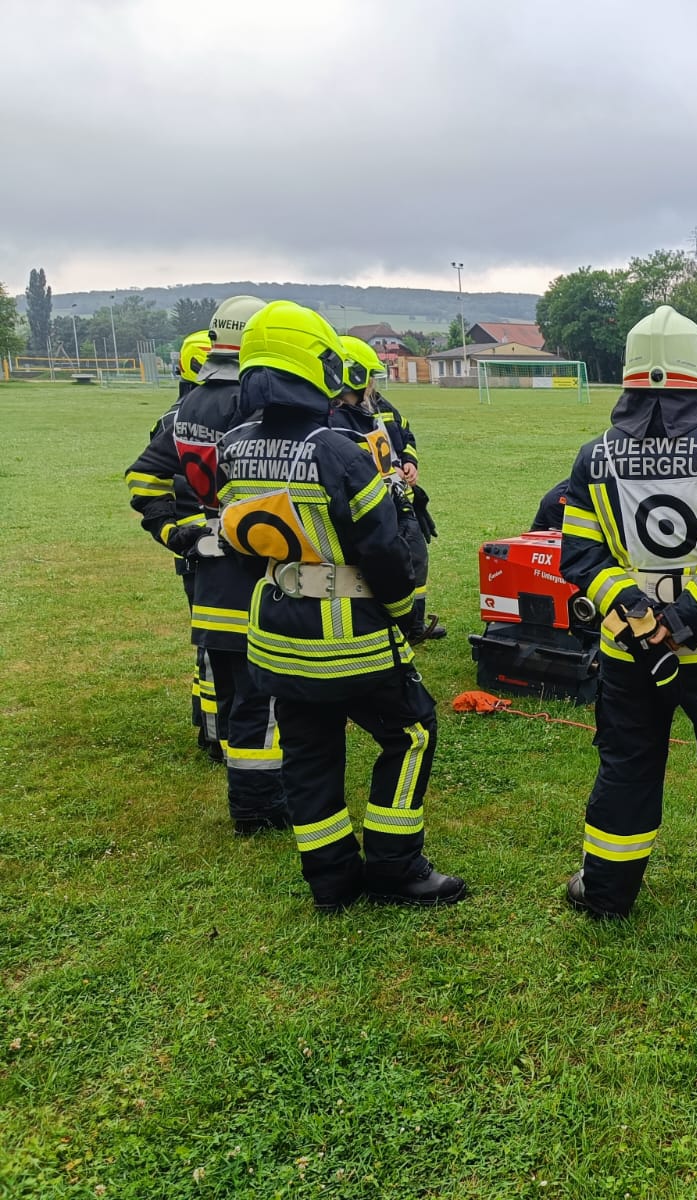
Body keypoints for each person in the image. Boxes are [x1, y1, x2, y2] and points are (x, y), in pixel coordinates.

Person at [216, 301, 465, 911]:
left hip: (276, 631)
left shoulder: (232, 447)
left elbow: (237, 539)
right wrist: (404, 612)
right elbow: (383, 548)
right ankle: (395, 866)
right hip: (347, 631)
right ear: (315, 364)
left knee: (308, 753)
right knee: (411, 732)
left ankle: (331, 881)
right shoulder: (337, 450)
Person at [559, 304, 697, 922]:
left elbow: (580, 557)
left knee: (626, 767)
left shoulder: (594, 458)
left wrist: (638, 613)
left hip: (628, 652)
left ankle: (605, 891)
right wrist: (680, 623)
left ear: (628, 375)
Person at [124, 296, 290, 833]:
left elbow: (144, 477)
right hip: (260, 575)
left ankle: (241, 786)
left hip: (212, 574)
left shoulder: (187, 406)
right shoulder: (258, 407)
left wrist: (181, 534)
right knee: (262, 696)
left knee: (233, 688)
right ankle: (258, 808)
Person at [126, 328, 222, 761]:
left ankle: (208, 723)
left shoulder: (173, 416)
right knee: (218, 644)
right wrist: (179, 532)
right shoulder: (203, 416)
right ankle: (217, 733)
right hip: (205, 543)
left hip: (190, 544)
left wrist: (171, 533)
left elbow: (148, 480)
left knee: (209, 641)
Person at [363, 357, 445, 642]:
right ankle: (391, 625)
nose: (372, 383)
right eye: (369, 377)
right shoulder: (339, 417)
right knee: (386, 566)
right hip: (374, 505)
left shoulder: (383, 406)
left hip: (402, 500)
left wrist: (410, 461)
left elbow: (406, 434)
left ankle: (415, 625)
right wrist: (386, 470)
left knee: (416, 559)